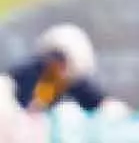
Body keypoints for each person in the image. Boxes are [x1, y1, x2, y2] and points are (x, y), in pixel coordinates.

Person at [0, 24, 130, 126]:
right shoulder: (25, 74)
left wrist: (114, 111)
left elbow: (101, 102)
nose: (56, 64)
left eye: (62, 59)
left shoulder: (72, 81)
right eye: (54, 56)